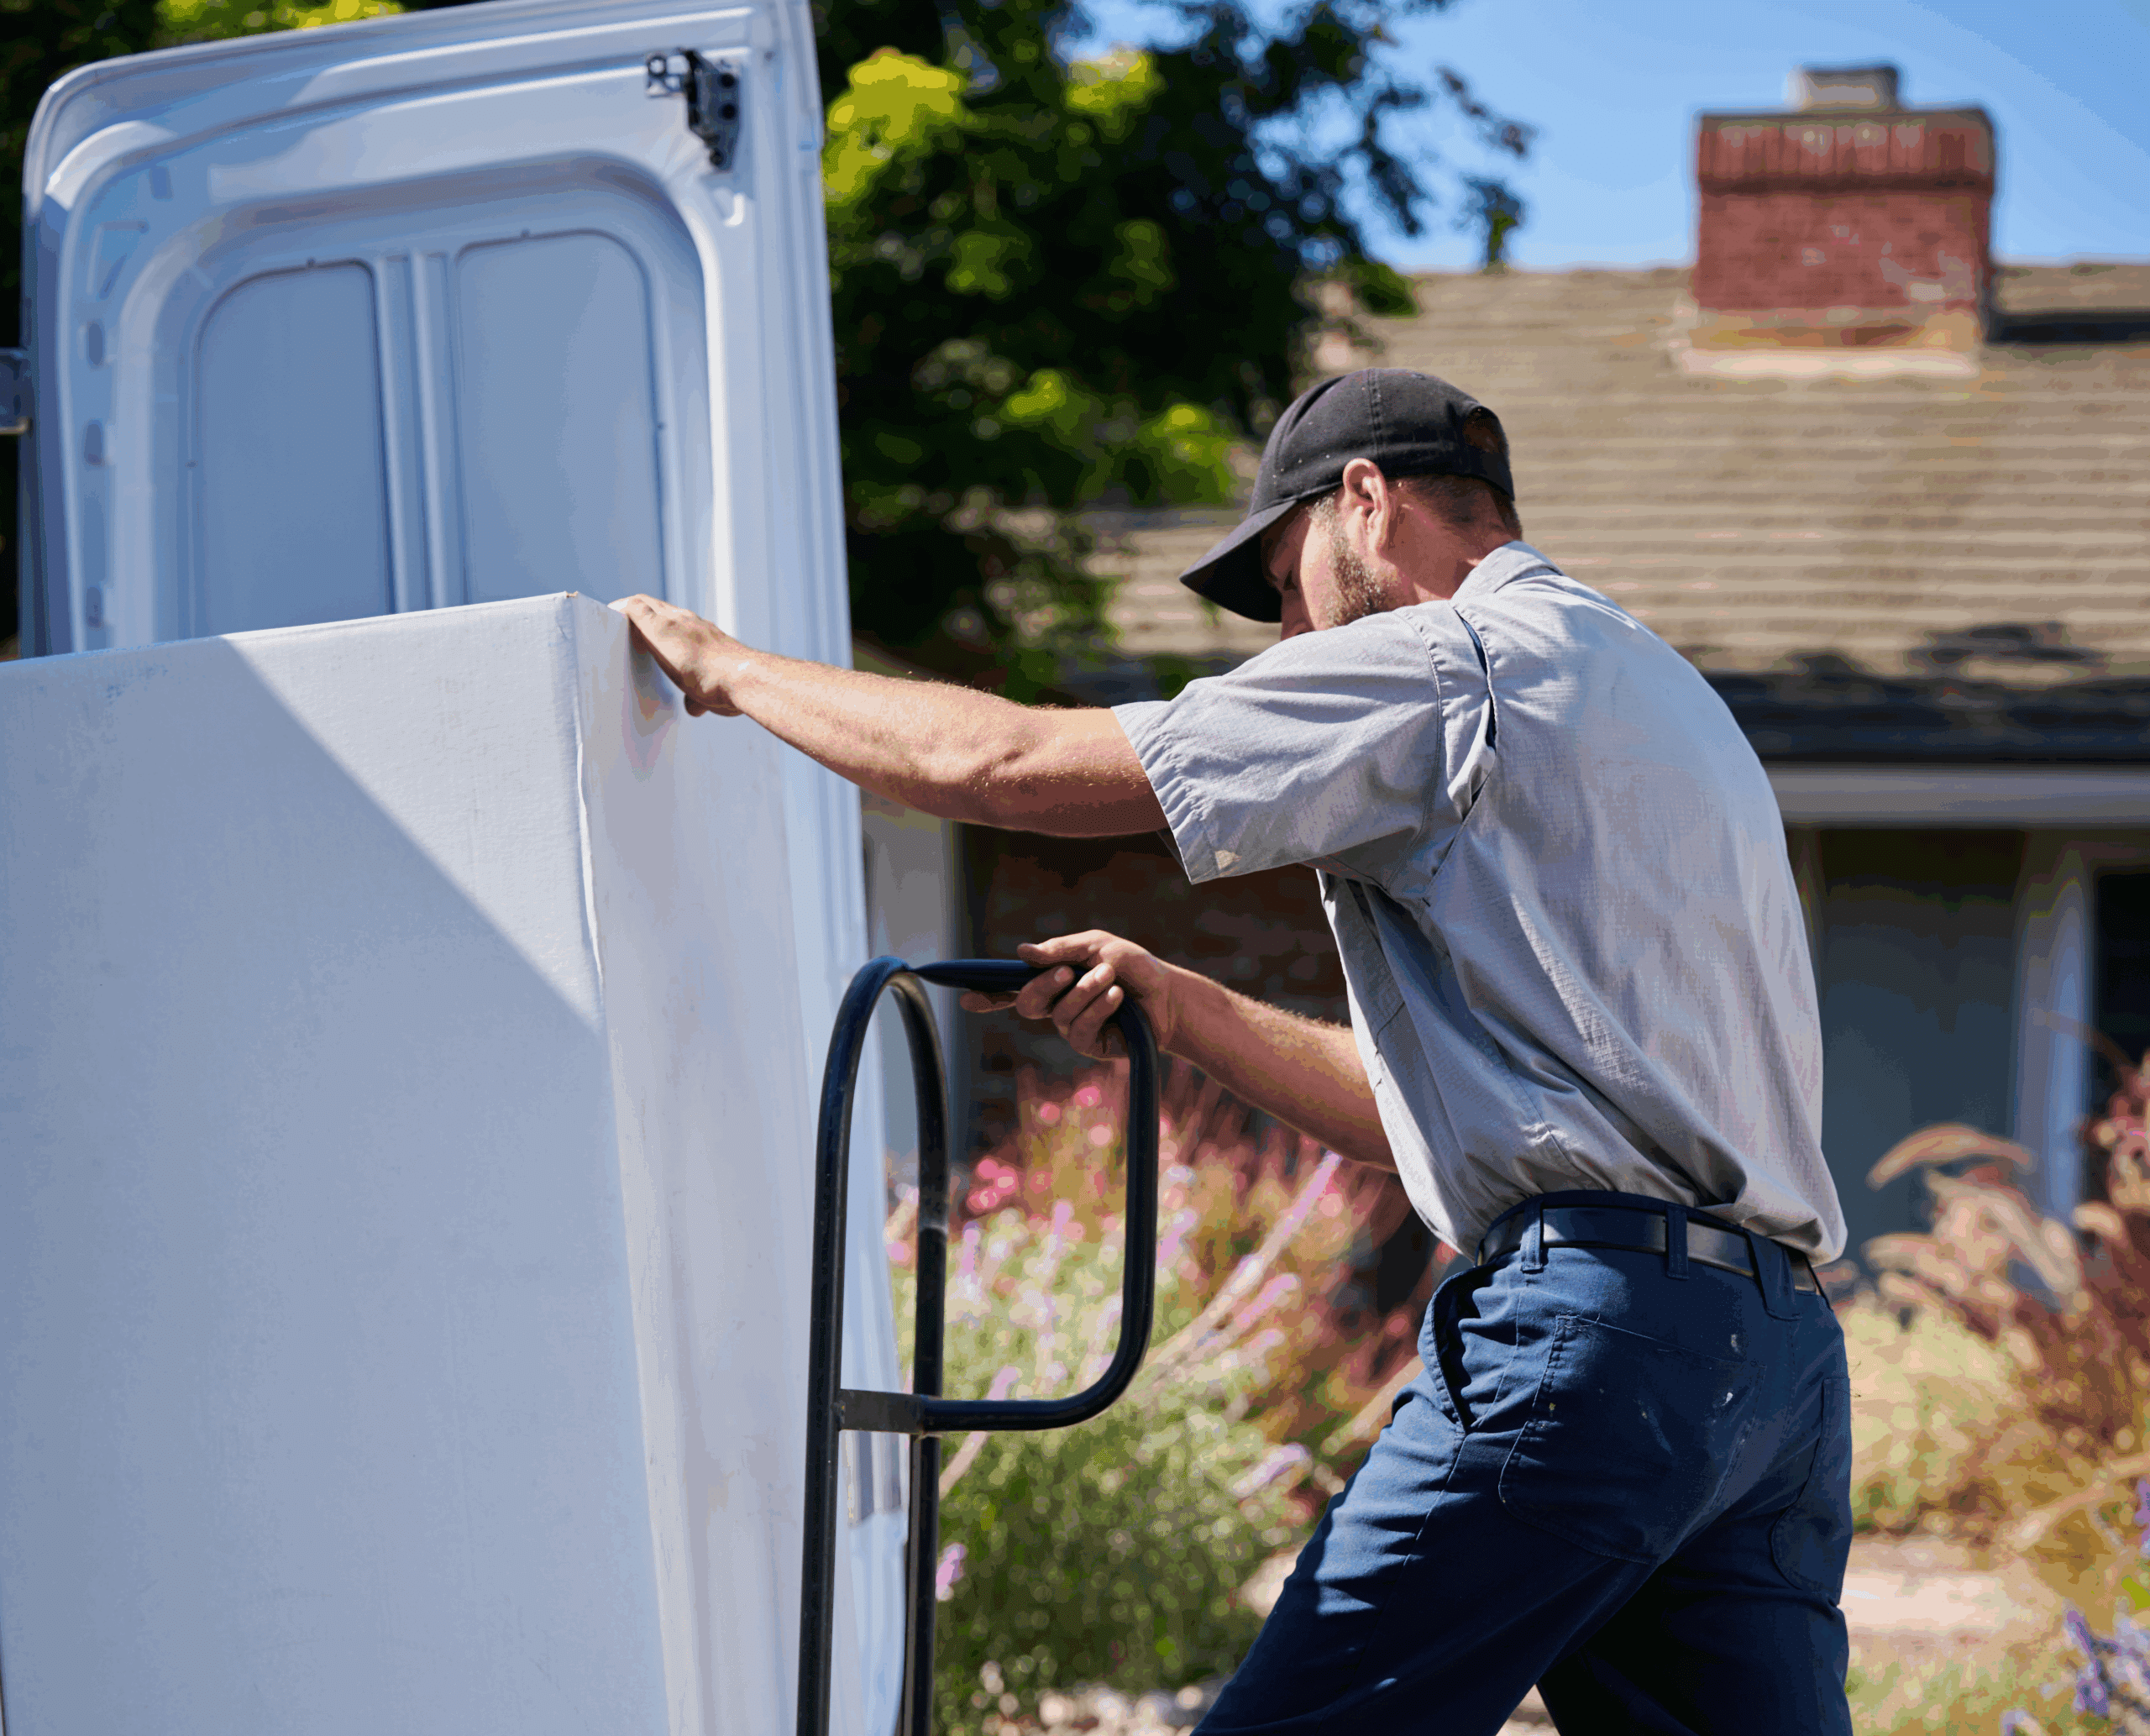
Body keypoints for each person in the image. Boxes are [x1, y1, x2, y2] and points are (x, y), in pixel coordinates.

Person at [616, 367, 1853, 1735]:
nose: (1285, 631)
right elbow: (1474, 1125)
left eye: (1282, 580)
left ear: (1366, 506)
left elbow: (1011, 766)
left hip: (1598, 1342)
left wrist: (726, 670)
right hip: (1773, 1366)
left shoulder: (1451, 660)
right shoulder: (1659, 695)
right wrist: (1188, 1009)